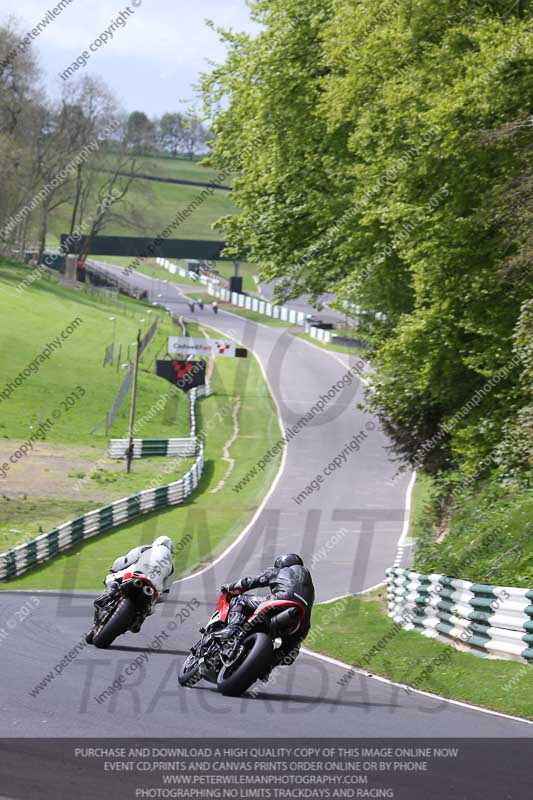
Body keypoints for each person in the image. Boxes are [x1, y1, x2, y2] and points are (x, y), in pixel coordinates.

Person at [216, 553, 314, 667]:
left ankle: (231, 629)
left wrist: (229, 588)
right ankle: (267, 668)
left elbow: (250, 582)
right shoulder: (309, 585)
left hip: (280, 601)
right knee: (289, 651)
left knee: (240, 600)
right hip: (302, 622)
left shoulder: (281, 571)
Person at [93, 535, 175, 620]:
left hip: (137, 574)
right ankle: (138, 620)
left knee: (110, 578)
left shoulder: (146, 548)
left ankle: (108, 594)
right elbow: (164, 595)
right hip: (152, 589)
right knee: (149, 610)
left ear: (156, 542)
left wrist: (114, 569)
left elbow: (125, 561)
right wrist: (155, 601)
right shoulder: (172, 567)